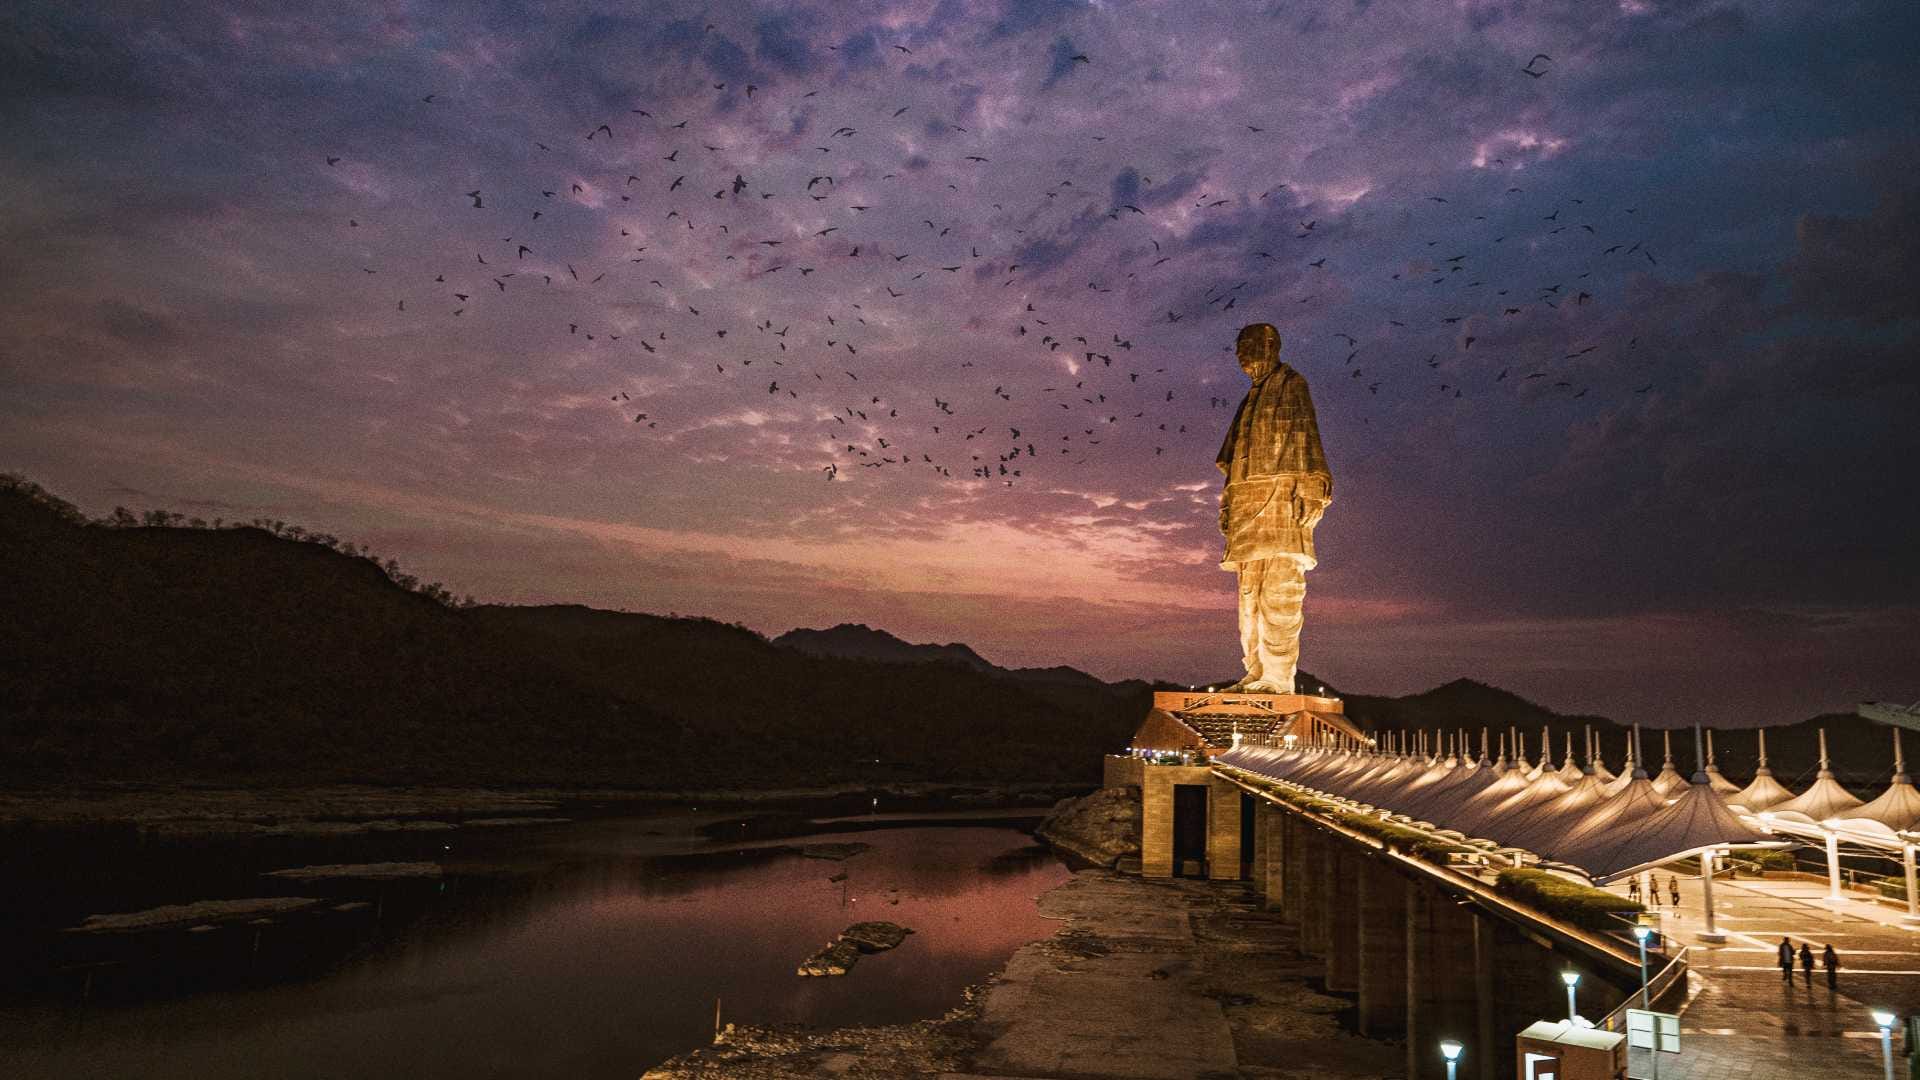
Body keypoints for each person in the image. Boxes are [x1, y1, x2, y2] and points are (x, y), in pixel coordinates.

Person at [1216, 322, 1332, 694]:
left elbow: (1307, 435)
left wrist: (1313, 485)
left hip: (1282, 496)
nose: (1241, 353)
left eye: (1247, 345)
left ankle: (1278, 676)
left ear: (1270, 345)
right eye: (1238, 347)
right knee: (1248, 595)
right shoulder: (1250, 397)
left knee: (1280, 589)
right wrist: (1227, 502)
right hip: (1247, 500)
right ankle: (1255, 669)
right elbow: (1232, 457)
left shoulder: (1291, 384)